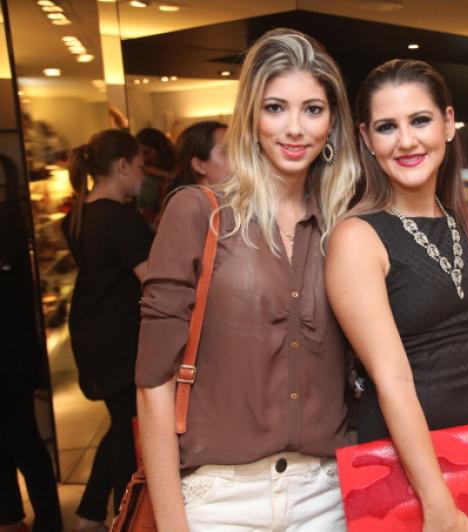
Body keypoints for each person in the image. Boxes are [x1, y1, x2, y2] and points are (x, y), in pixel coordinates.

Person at [135, 29, 360, 531]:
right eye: (275, 108)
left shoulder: (346, 225)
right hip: (220, 501)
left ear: (332, 123)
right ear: (251, 118)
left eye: (313, 110)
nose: (295, 129)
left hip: (326, 496)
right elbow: (153, 383)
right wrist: (171, 523)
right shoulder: (200, 213)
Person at [325, 59, 468, 532]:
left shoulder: (460, 220)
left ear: (447, 123)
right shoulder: (357, 237)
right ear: (366, 138)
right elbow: (393, 379)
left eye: (420, 120)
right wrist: (437, 500)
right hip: (416, 473)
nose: (406, 140)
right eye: (387, 127)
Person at [61, 129, 153, 531]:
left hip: (91, 328)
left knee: (120, 421)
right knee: (128, 429)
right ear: (122, 166)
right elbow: (152, 281)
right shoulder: (120, 218)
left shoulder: (78, 214)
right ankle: (123, 518)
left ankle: (90, 513)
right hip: (119, 335)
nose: (143, 176)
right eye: (140, 167)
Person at [0, 153, 62, 532]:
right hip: (13, 353)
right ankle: (11, 517)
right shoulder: (10, 219)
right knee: (16, 440)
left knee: (23, 441)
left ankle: (45, 522)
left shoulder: (7, 224)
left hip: (9, 357)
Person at [135, 127, 176, 223]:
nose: (143, 159)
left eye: (146, 153)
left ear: (160, 150)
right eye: (139, 154)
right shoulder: (142, 174)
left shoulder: (176, 170)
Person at [171, 121, 229, 188]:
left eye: (237, 150)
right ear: (199, 165)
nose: (237, 157)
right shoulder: (188, 195)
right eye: (226, 151)